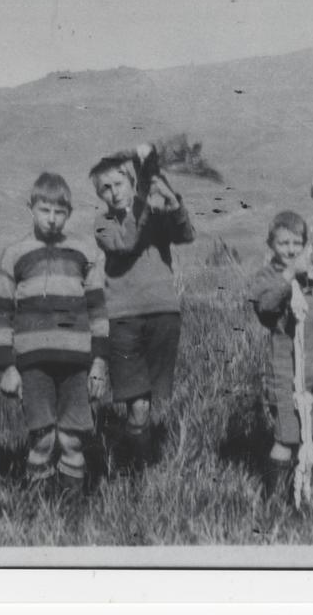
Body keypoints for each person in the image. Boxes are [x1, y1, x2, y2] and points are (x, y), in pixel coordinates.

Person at [0, 172, 109, 495]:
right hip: (33, 365)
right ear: (31, 208)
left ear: (69, 213)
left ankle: (71, 513)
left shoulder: (85, 252)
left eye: (60, 212)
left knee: (73, 439)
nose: (52, 219)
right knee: (41, 438)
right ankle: (39, 509)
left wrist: (99, 363)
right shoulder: (16, 254)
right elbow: (0, 314)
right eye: (45, 210)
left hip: (77, 362)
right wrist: (7, 366)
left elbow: (98, 311)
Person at [89, 146, 194, 470]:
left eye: (117, 184)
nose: (111, 193)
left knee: (147, 405)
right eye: (104, 188)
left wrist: (171, 199)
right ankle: (139, 470)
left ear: (131, 181)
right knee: (138, 407)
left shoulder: (151, 210)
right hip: (123, 320)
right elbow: (127, 241)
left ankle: (135, 463)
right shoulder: (103, 223)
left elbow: (186, 233)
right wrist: (144, 199)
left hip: (163, 314)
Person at [248, 211, 313, 502]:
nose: (290, 249)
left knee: (310, 435)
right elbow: (266, 307)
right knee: (286, 436)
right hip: (285, 374)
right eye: (283, 243)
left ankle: (305, 491)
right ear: (271, 245)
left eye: (296, 243)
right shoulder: (268, 277)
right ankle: (274, 496)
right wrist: (290, 275)